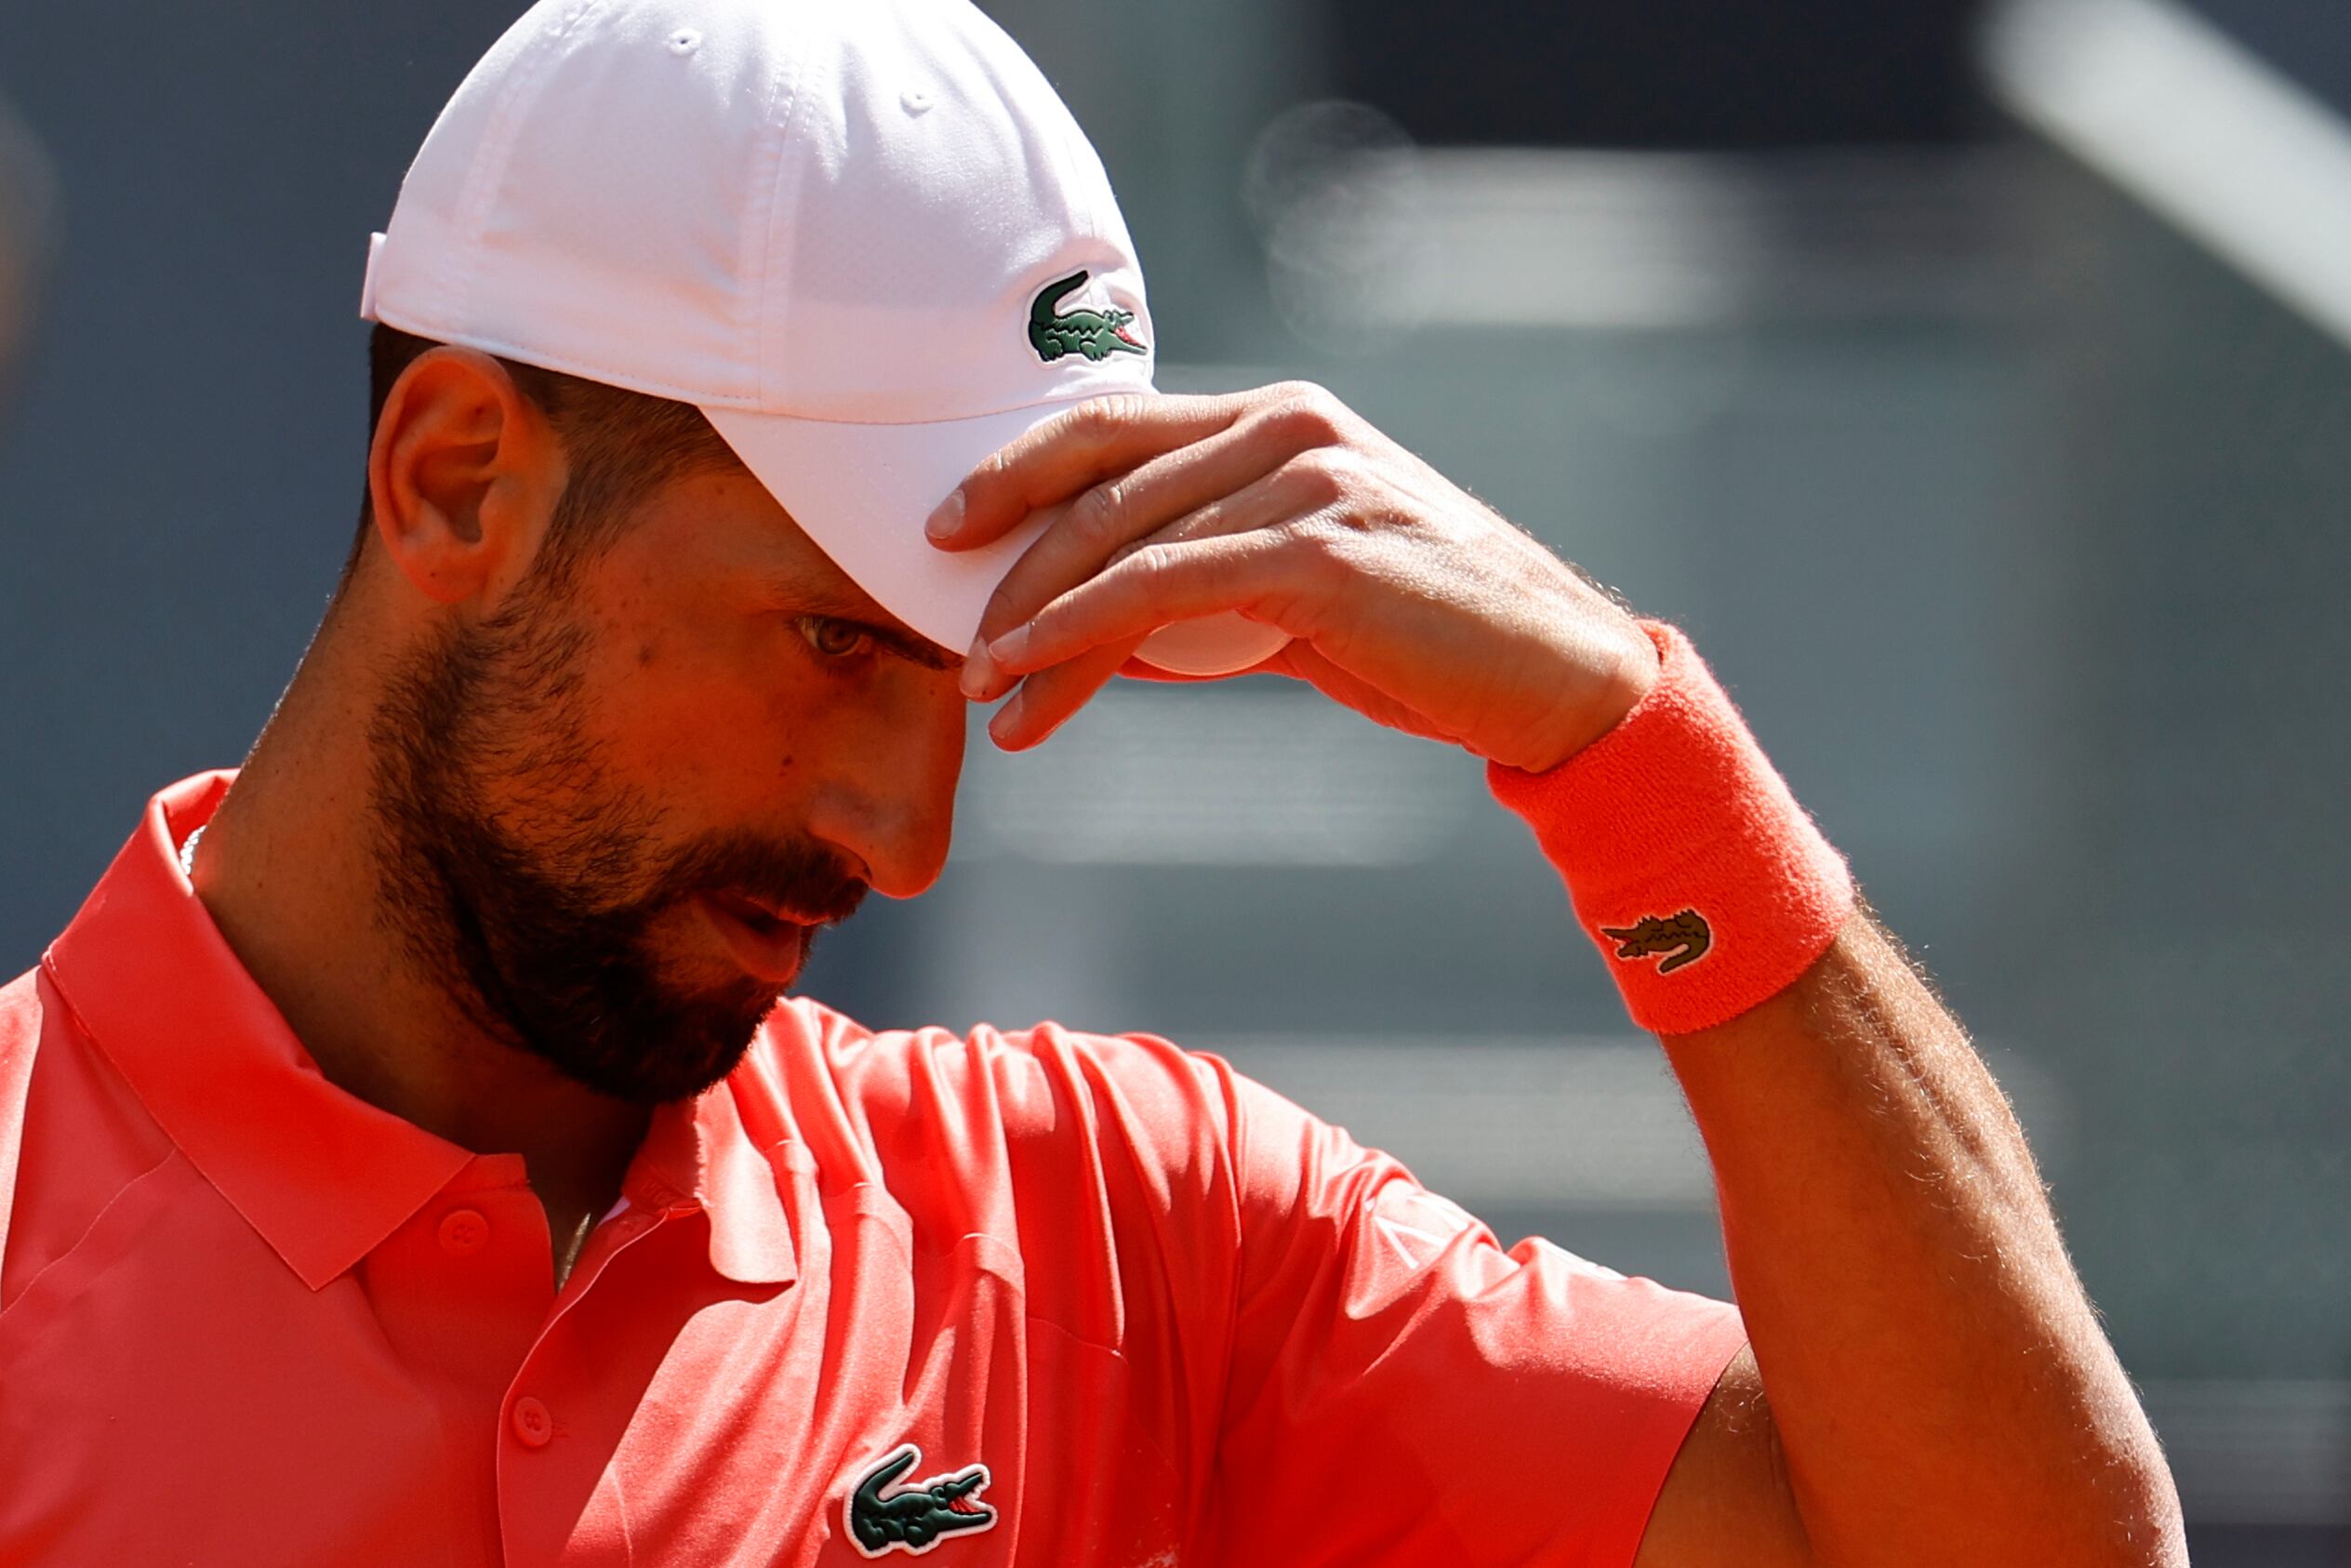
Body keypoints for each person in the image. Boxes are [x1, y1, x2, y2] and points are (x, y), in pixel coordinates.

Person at [0, 1, 2183, 1564]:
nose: (907, 831)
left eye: (974, 675)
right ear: (456, 473)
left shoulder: (1124, 1234)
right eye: (841, 638)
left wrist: (1623, 749)